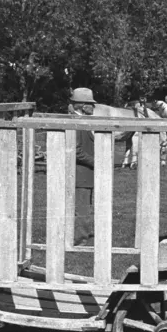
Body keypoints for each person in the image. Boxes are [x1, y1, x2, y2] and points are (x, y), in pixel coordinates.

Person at [68, 87, 97, 246]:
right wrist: (96, 162)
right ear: (81, 105)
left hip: (86, 174)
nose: (93, 107)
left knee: (85, 209)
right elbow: (76, 150)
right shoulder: (77, 122)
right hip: (81, 174)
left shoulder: (82, 120)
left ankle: (84, 237)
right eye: (90, 104)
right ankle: (80, 241)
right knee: (83, 210)